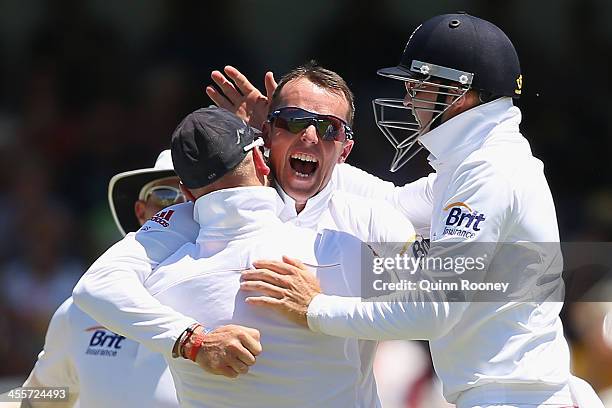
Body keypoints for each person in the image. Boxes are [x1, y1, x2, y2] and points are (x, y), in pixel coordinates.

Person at [239, 12, 603, 408]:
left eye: (418, 86)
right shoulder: (474, 166)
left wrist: (315, 308)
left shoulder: (488, 174)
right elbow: (390, 203)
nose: (409, 100)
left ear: (460, 93)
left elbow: (433, 310)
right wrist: (293, 135)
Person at [71, 62, 421, 404]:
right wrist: (194, 341)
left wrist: (320, 308)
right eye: (293, 121)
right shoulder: (188, 218)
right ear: (265, 138)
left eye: (329, 129)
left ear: (345, 148)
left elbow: (461, 290)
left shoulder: (368, 219)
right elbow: (97, 286)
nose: (310, 136)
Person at [4, 151, 185, 408]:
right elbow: (40, 397)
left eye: (190, 202)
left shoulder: (237, 303)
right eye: (165, 197)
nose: (176, 213)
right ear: (140, 212)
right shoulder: (80, 310)